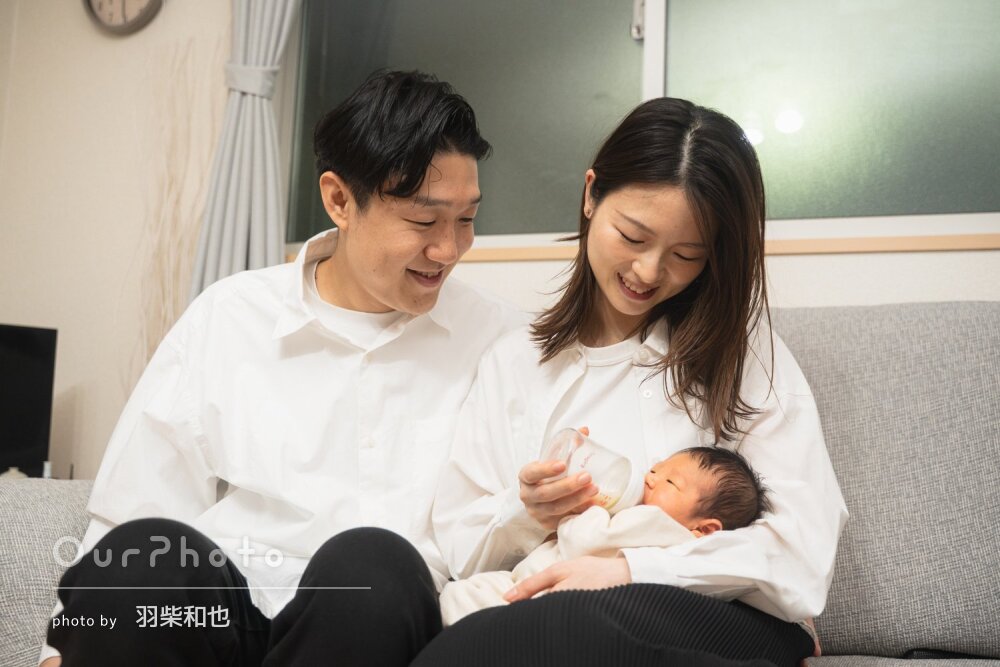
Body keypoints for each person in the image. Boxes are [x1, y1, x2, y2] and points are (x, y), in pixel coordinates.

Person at [39, 70, 526, 667]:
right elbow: (137, 504)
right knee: (140, 557)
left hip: (374, 627)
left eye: (467, 219)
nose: (448, 249)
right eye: (424, 222)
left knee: (372, 567)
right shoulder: (231, 315)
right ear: (339, 200)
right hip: (228, 621)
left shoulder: (499, 339)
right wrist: (59, 651)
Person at [419, 97, 848, 667]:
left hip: (712, 612)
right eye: (633, 236)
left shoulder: (744, 355)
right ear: (591, 196)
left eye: (686, 254)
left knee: (551, 627)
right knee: (483, 634)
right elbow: (460, 549)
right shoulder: (517, 362)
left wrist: (626, 568)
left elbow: (800, 553)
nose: (649, 272)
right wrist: (529, 512)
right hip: (557, 609)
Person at [439, 445, 772, 626]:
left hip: (543, 596)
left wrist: (586, 509)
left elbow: (586, 541)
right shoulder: (661, 529)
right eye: (656, 469)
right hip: (531, 586)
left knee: (461, 598)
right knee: (462, 597)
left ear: (705, 529)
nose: (651, 478)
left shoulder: (657, 525)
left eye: (671, 482)